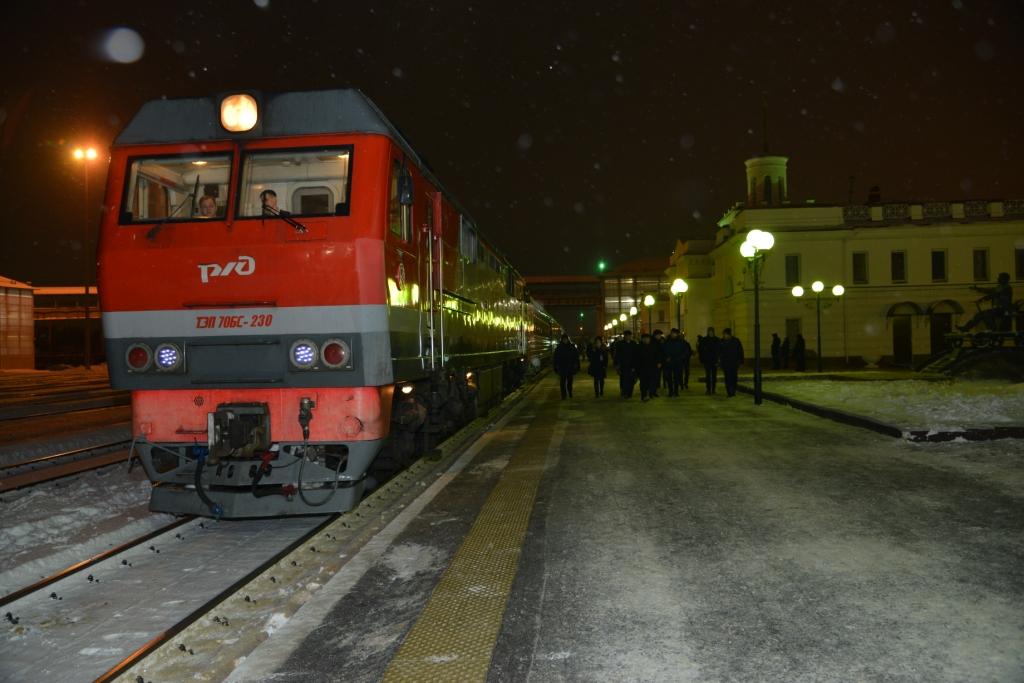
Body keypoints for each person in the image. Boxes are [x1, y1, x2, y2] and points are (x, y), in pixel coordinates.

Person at [718, 327, 744, 397]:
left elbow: (740, 351)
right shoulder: (722, 341)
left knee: (734, 377)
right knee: (727, 378)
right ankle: (729, 392)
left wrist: (741, 361)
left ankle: (733, 390)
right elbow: (719, 352)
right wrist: (720, 362)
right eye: (724, 334)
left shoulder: (736, 341)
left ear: (729, 334)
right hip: (726, 363)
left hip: (734, 363)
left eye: (726, 334)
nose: (724, 336)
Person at [637, 333, 663, 402]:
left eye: (648, 338)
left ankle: (650, 393)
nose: (646, 340)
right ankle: (644, 395)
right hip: (642, 368)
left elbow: (658, 355)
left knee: (651, 381)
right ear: (642, 339)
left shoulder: (653, 346)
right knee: (643, 383)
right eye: (644, 339)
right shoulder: (639, 347)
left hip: (652, 367)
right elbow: (636, 358)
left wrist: (659, 362)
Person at [662, 328, 687, 396]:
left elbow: (685, 351)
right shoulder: (667, 341)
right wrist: (666, 358)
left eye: (675, 333)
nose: (673, 334)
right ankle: (670, 391)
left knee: (676, 378)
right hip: (669, 362)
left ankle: (676, 392)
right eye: (672, 333)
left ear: (677, 334)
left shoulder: (681, 342)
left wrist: (681, 358)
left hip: (677, 362)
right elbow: (663, 351)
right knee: (669, 378)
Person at [553, 334, 579, 399]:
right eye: (564, 339)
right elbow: (555, 358)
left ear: (567, 339)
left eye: (566, 339)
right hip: (562, 368)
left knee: (569, 382)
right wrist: (555, 366)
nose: (565, 340)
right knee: (562, 383)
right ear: (562, 340)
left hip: (569, 367)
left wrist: (576, 365)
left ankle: (570, 392)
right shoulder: (559, 348)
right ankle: (563, 395)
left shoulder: (571, 347)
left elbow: (576, 357)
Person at [614, 330, 638, 399]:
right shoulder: (620, 344)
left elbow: (636, 355)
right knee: (624, 380)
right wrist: (617, 365)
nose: (628, 337)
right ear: (624, 336)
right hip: (623, 366)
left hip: (632, 365)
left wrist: (635, 365)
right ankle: (624, 392)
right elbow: (617, 355)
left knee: (631, 380)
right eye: (626, 335)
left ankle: (629, 393)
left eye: (629, 335)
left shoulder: (633, 344)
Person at [698, 327, 720, 394]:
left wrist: (718, 360)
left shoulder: (717, 340)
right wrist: (702, 359)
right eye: (709, 332)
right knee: (708, 376)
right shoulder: (704, 340)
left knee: (714, 376)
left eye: (711, 332)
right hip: (707, 360)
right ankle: (708, 389)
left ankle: (713, 389)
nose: (710, 333)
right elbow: (701, 350)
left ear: (713, 332)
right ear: (708, 332)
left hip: (714, 360)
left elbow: (719, 350)